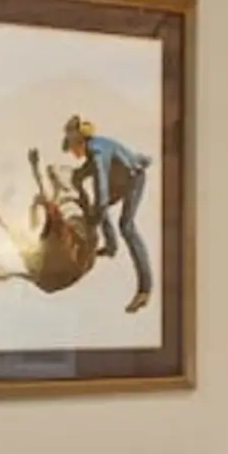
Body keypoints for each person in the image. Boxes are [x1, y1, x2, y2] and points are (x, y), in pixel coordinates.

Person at [60, 114, 156, 313]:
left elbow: (102, 194)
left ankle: (144, 290)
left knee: (126, 227)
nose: (72, 153)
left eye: (72, 148)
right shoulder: (91, 152)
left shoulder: (97, 155)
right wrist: (76, 181)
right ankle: (111, 247)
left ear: (80, 143)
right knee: (98, 208)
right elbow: (82, 174)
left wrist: (91, 224)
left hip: (133, 178)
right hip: (119, 180)